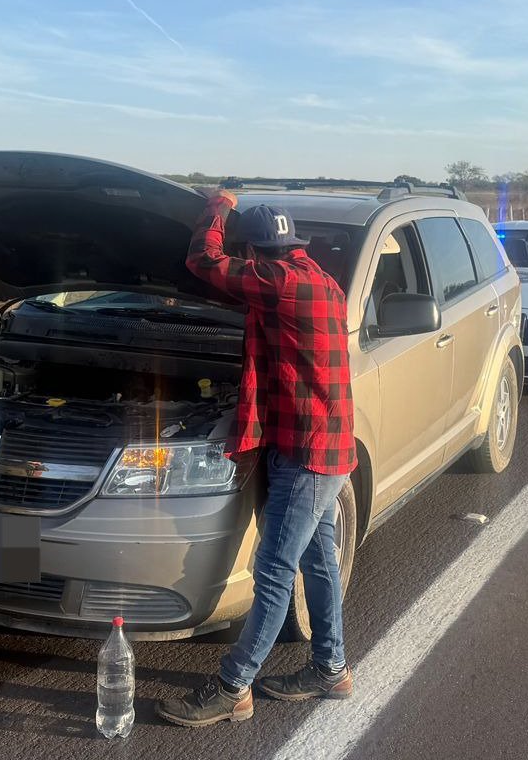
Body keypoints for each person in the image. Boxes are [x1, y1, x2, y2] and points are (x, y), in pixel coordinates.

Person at [156, 191, 358, 727]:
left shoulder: (278, 281)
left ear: (256, 252)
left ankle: (234, 686)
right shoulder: (320, 280)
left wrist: (218, 206)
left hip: (306, 453)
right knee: (319, 561)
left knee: (272, 571)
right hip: (326, 448)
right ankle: (331, 669)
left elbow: (203, 260)